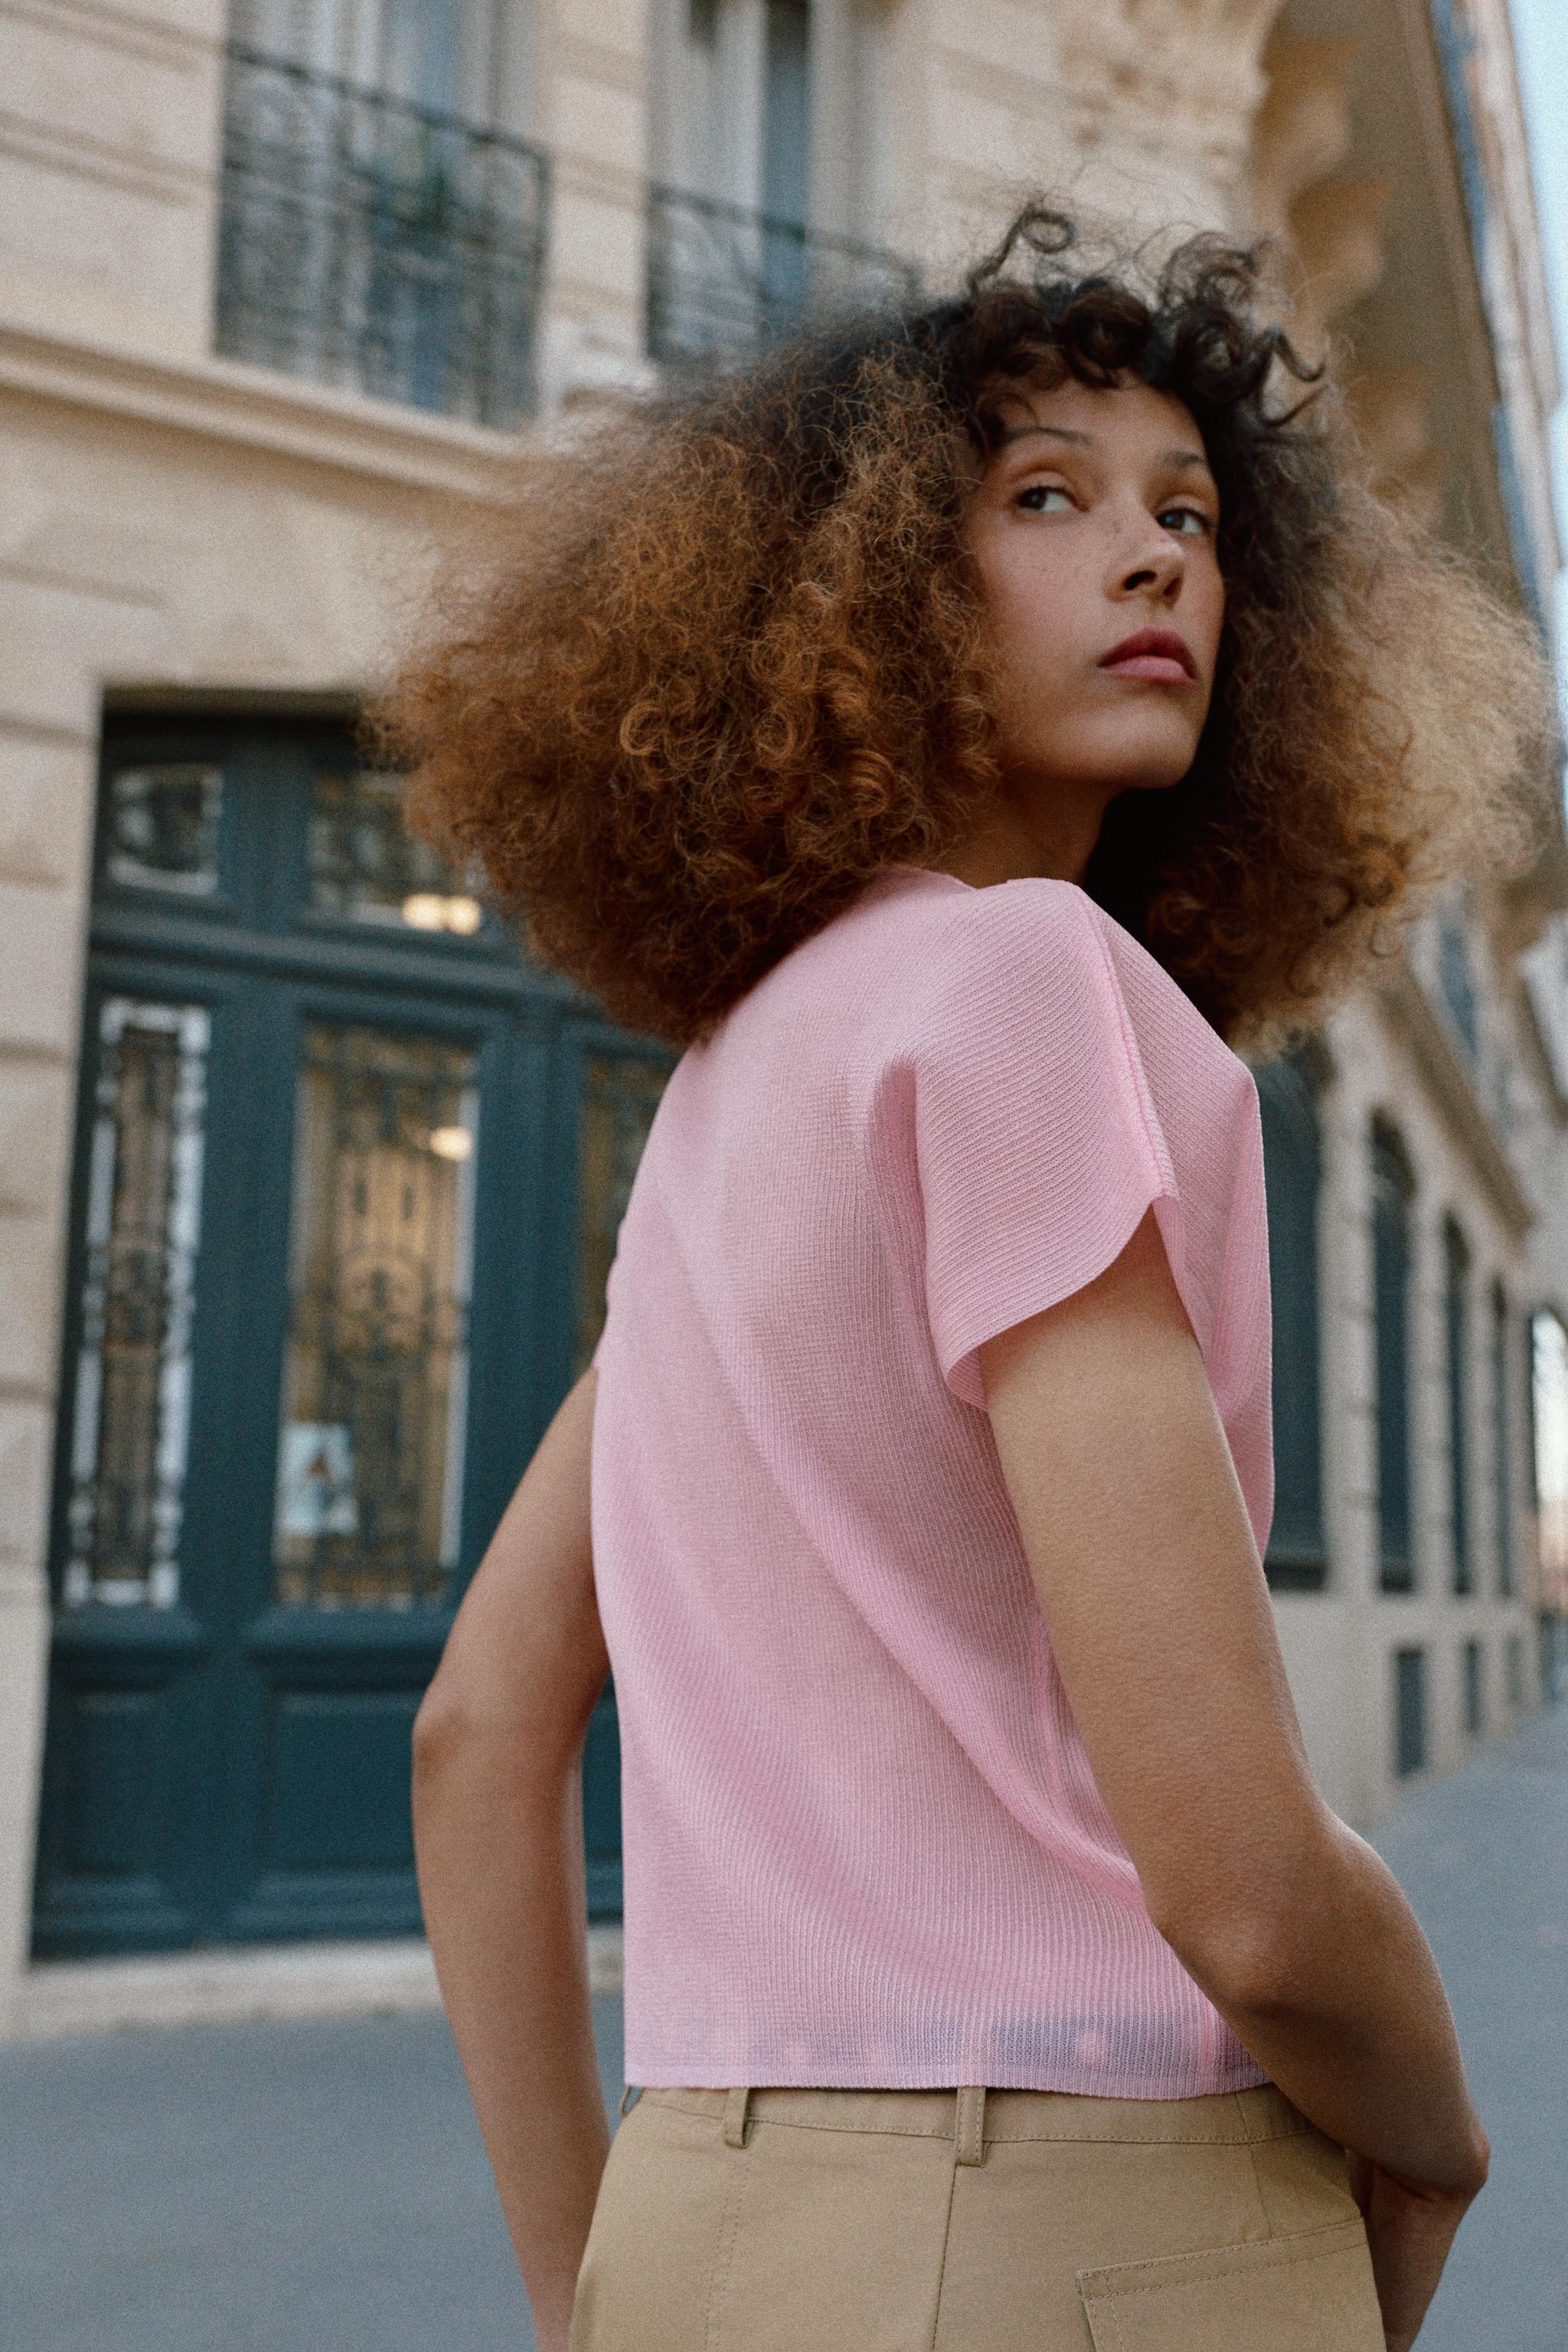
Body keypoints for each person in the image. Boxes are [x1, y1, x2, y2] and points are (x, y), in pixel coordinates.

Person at [387, 209, 1550, 2351]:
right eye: (1045, 497)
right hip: (1079, 2214)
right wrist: (1439, 2137)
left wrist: (582, 2282)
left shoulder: (731, 1093)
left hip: (710, 2219)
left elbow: (478, 1729)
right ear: (876, 584)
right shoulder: (1026, 986)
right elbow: (1245, 1892)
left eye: (1191, 515)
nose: (1154, 561)